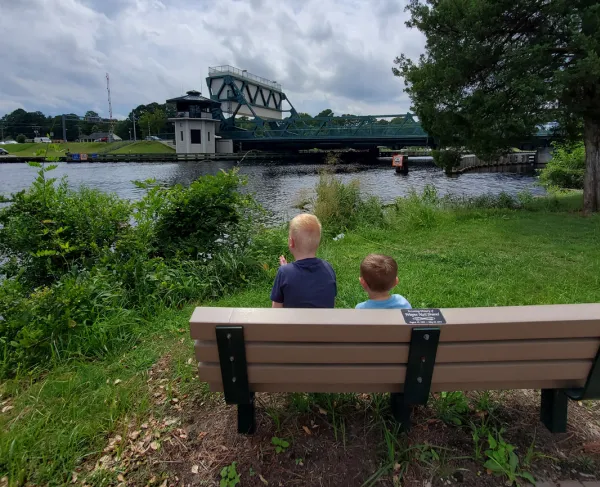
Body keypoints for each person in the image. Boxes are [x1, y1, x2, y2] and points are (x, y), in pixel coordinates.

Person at [271, 214, 336, 308]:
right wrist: (287, 269)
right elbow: (331, 303)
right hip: (324, 322)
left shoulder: (284, 273)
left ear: (291, 242)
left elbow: (276, 310)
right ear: (318, 243)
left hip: (294, 322)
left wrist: (286, 270)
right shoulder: (328, 268)